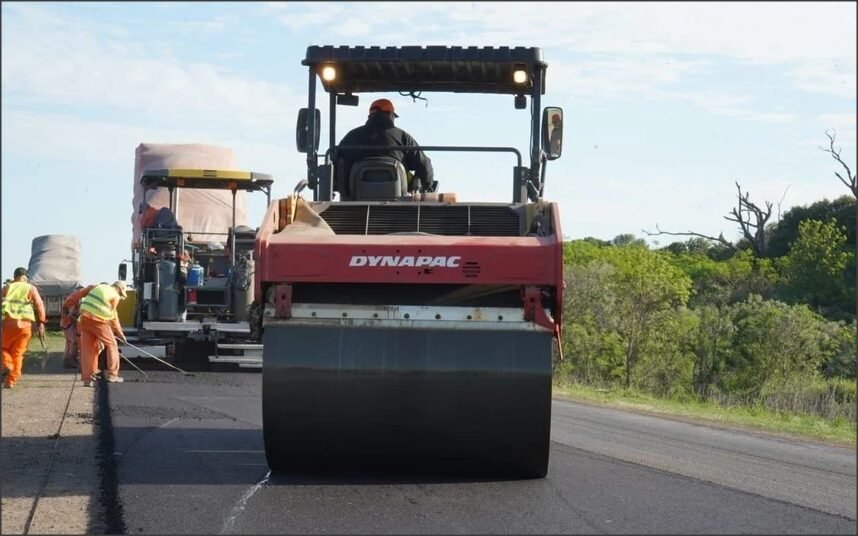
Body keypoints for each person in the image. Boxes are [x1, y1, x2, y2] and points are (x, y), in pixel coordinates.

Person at [337, 98, 434, 196]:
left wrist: (341, 189)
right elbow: (424, 165)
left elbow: (334, 162)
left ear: (370, 115)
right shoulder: (403, 137)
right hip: (398, 197)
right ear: (390, 115)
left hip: (355, 196)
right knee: (410, 174)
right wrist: (426, 188)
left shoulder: (351, 137)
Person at [63, 281, 129, 387]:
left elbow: (79, 293)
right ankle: (112, 375)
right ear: (119, 289)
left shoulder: (96, 287)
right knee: (112, 345)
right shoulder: (115, 296)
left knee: (88, 349)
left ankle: (87, 379)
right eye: (121, 294)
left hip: (84, 319)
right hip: (99, 321)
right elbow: (114, 317)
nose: (120, 297)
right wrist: (120, 334)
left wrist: (67, 305)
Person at [1, 267, 46, 388]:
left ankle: (7, 365)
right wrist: (41, 322)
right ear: (25, 277)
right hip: (25, 326)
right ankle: (11, 381)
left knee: (3, 348)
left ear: (14, 276)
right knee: (18, 353)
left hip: (8, 324)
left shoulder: (6, 288)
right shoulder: (30, 288)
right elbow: (39, 305)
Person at [60, 286, 84, 369]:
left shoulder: (73, 298)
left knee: (69, 342)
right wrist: (78, 321)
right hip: (68, 324)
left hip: (65, 323)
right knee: (74, 342)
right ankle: (71, 361)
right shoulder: (74, 300)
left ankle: (66, 361)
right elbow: (70, 315)